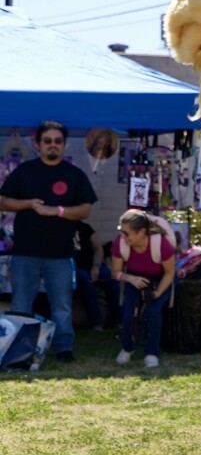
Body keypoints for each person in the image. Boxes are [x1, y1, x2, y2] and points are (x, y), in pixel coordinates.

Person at [0, 121, 98, 363]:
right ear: (38, 144)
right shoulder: (25, 171)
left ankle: (64, 349)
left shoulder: (74, 175)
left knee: (62, 306)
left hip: (60, 254)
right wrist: (28, 204)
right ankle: (19, 351)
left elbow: (85, 210)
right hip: (25, 252)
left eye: (57, 141)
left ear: (64, 145)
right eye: (48, 141)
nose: (52, 145)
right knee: (22, 303)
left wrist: (58, 211)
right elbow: (3, 201)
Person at [111, 210, 177, 368]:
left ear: (141, 232)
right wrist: (130, 278)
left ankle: (152, 353)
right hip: (134, 279)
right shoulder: (120, 243)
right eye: (121, 231)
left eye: (127, 233)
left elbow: (170, 273)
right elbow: (116, 273)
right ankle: (127, 348)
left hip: (161, 279)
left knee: (152, 312)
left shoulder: (161, 244)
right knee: (129, 314)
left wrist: (157, 293)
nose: (123, 237)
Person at [74, 221, 119, 331]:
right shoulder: (61, 229)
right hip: (74, 270)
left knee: (108, 276)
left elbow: (99, 249)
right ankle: (96, 321)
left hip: (93, 266)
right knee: (85, 279)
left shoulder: (84, 227)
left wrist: (96, 266)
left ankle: (118, 318)